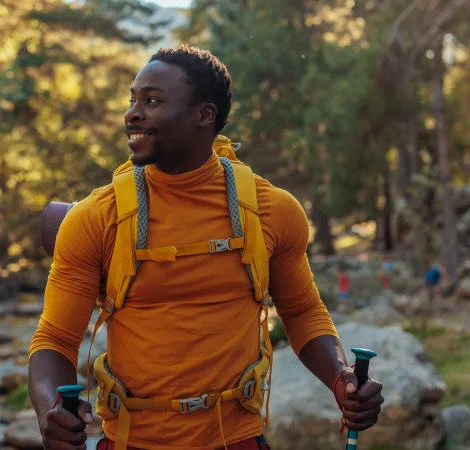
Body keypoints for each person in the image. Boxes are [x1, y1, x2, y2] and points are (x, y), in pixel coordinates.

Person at [27, 45, 384, 450]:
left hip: (238, 441)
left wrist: (342, 379)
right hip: (130, 442)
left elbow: (302, 311)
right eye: (133, 100)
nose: (132, 114)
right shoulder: (97, 217)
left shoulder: (271, 211)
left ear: (205, 114)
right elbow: (55, 338)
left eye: (153, 101)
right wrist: (51, 408)